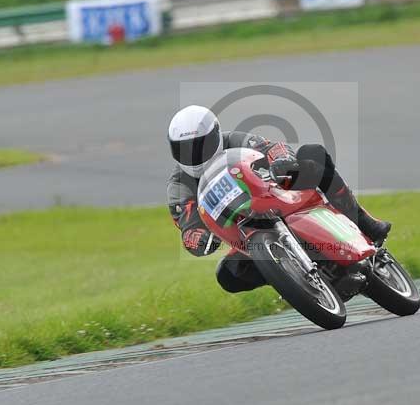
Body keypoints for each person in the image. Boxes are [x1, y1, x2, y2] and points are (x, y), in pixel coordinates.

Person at [166, 105, 391, 293]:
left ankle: (362, 221)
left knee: (313, 153)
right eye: (183, 149)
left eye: (199, 145)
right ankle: (292, 278)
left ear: (214, 135)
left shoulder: (234, 140)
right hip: (243, 233)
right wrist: (198, 238)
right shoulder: (179, 186)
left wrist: (281, 159)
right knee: (228, 275)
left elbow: (272, 147)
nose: (193, 155)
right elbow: (188, 226)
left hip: (276, 196)